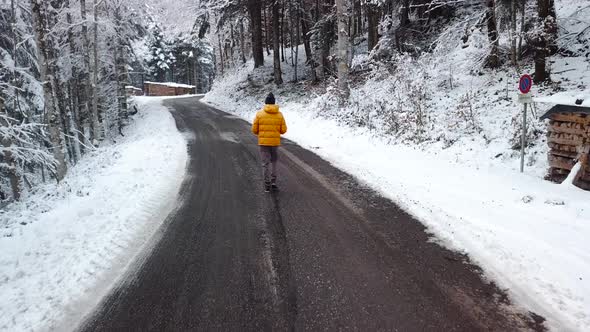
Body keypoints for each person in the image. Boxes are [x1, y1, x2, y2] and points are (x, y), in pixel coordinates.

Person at [252, 92, 287, 192]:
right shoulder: (280, 115)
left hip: (263, 143)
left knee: (265, 164)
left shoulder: (259, 114)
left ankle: (267, 185)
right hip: (275, 143)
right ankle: (273, 182)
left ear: (266, 103)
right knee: (274, 162)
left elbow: (254, 130)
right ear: (274, 103)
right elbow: (283, 130)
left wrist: (262, 132)